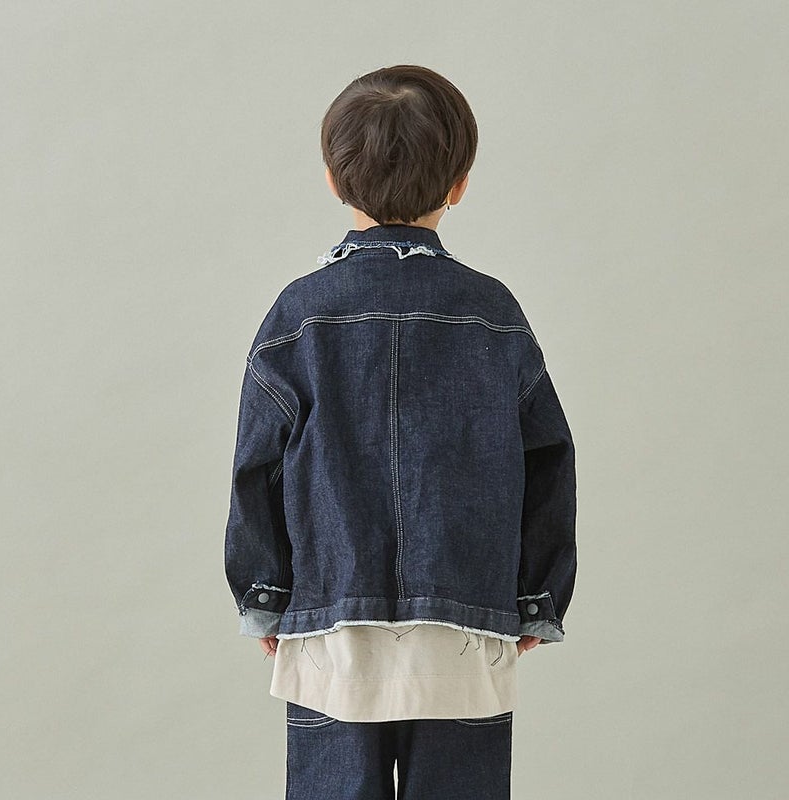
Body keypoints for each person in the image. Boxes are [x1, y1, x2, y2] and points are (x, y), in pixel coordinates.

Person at [224, 64, 577, 800]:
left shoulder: (300, 314)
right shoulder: (494, 313)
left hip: (333, 626)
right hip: (464, 624)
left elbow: (258, 463)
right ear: (459, 185)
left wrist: (264, 592)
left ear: (332, 179)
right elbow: (547, 456)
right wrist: (537, 597)